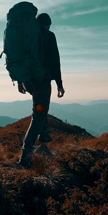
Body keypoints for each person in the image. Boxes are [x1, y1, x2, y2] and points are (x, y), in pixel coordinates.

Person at [19, 12, 65, 168]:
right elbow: (55, 61)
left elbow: (20, 59)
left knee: (40, 108)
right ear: (47, 24)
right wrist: (59, 83)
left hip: (28, 81)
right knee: (39, 115)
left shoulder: (27, 36)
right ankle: (26, 153)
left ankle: (43, 139)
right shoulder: (49, 36)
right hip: (42, 81)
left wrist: (20, 81)